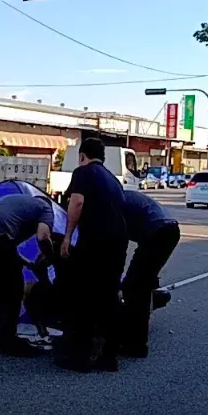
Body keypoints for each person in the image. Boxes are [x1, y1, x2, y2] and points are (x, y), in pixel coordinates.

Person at [58, 137, 128, 372]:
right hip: (118, 242)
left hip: (95, 241)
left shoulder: (83, 172)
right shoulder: (113, 180)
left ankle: (80, 357)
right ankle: (109, 357)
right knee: (109, 296)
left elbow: (76, 203)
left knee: (84, 296)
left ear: (82, 155)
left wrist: (67, 236)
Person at [0, 194, 55, 357]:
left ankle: (6, 338)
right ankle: (10, 342)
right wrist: (52, 258)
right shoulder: (45, 208)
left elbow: (9, 248)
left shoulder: (17, 203)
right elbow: (43, 236)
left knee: (0, 288)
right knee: (13, 289)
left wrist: (29, 264)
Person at [119, 190, 180, 358]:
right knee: (142, 282)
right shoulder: (122, 196)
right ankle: (152, 290)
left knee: (134, 288)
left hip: (158, 233)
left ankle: (135, 346)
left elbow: (119, 241)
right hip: (165, 230)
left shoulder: (114, 203)